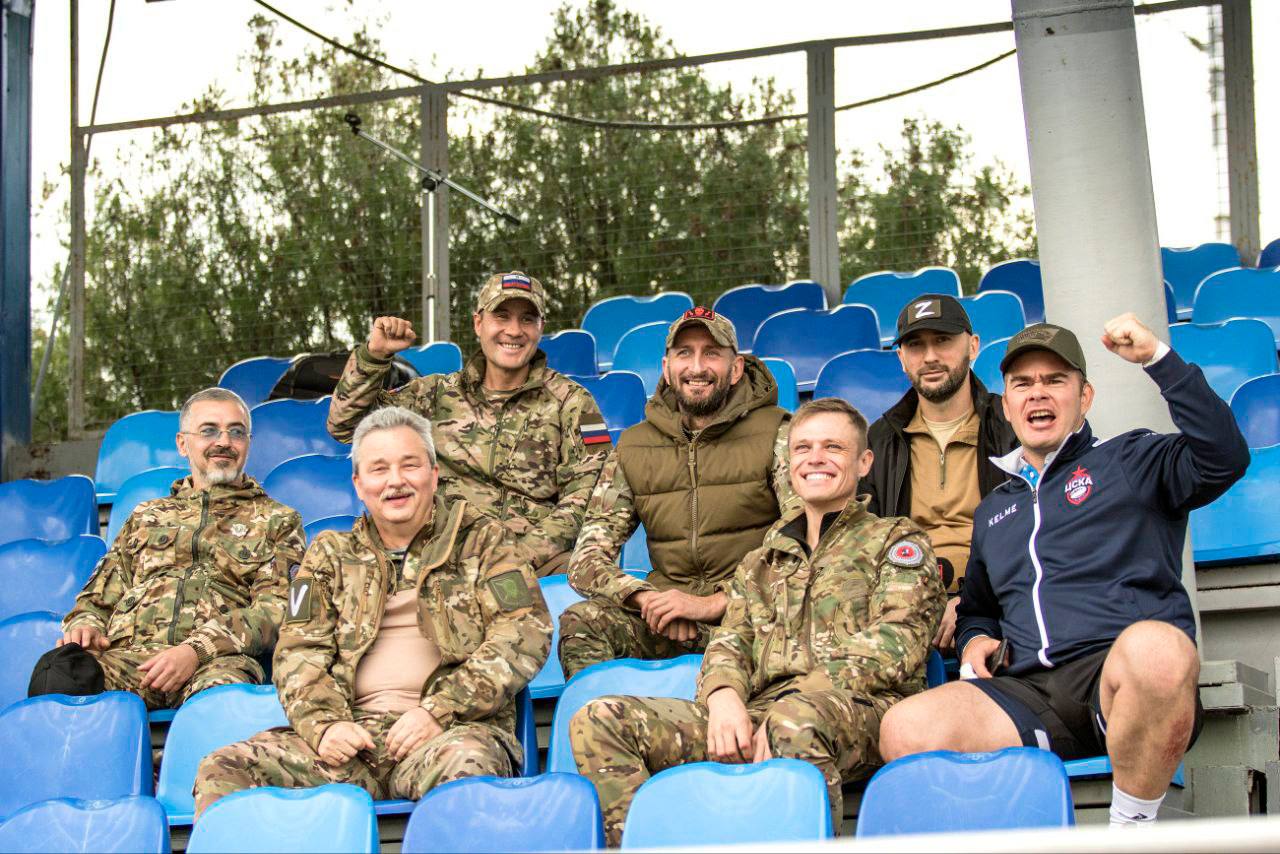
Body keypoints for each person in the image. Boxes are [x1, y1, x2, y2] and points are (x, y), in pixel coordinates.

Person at [878, 314, 1250, 827]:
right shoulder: (996, 508)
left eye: (1055, 380)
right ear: (1006, 406)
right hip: (1027, 693)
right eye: (1022, 384)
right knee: (906, 725)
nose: (1038, 393)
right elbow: (979, 609)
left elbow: (1224, 457)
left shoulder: (1132, 458)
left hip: (1117, 680)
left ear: (1085, 397)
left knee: (1159, 649)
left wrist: (1157, 360)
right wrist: (975, 637)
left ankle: (1130, 831)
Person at [570, 398, 944, 843]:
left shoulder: (895, 540)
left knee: (796, 721)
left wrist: (797, 699)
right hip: (762, 711)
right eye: (803, 448)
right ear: (790, 464)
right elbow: (729, 642)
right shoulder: (760, 562)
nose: (816, 458)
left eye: (833, 447)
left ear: (864, 462)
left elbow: (899, 640)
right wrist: (724, 697)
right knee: (600, 720)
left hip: (862, 710)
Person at [193, 406, 552, 817]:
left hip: (448, 734)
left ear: (434, 474)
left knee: (468, 764)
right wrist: (325, 725)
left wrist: (439, 710)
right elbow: (296, 652)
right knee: (224, 769)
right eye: (379, 469)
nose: (395, 481)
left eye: (409, 465)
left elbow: (525, 631)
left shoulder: (485, 543)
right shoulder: (328, 555)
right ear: (359, 485)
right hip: (351, 740)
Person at [559, 306, 793, 680]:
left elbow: (803, 542)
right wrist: (648, 599)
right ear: (667, 368)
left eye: (711, 353)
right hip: (669, 623)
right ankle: (610, 716)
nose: (697, 367)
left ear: (736, 369)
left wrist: (714, 603)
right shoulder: (634, 446)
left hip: (752, 618)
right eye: (685, 353)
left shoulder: (779, 433)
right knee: (583, 622)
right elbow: (586, 558)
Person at [326, 271, 609, 575]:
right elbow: (345, 425)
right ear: (478, 323)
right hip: (440, 559)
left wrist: (516, 556)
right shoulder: (434, 395)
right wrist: (374, 356)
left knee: (586, 581)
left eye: (527, 319)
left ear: (541, 327)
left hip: (535, 564)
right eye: (501, 316)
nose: (514, 331)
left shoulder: (573, 402)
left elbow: (589, 495)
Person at [57, 388, 305, 710]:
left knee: (223, 703)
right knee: (57, 673)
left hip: (215, 662)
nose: (224, 442)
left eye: (236, 432)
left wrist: (195, 650)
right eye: (209, 431)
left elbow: (279, 610)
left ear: (248, 443)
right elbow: (97, 596)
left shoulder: (278, 520)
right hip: (132, 660)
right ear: (182, 444)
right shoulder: (145, 516)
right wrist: (85, 625)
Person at [860, 294, 1017, 650]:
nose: (930, 356)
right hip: (903, 602)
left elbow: (1036, 535)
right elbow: (864, 544)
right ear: (902, 359)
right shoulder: (880, 439)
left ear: (973, 346)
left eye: (943, 340)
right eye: (916, 345)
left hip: (999, 601)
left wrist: (972, 601)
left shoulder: (1011, 426)